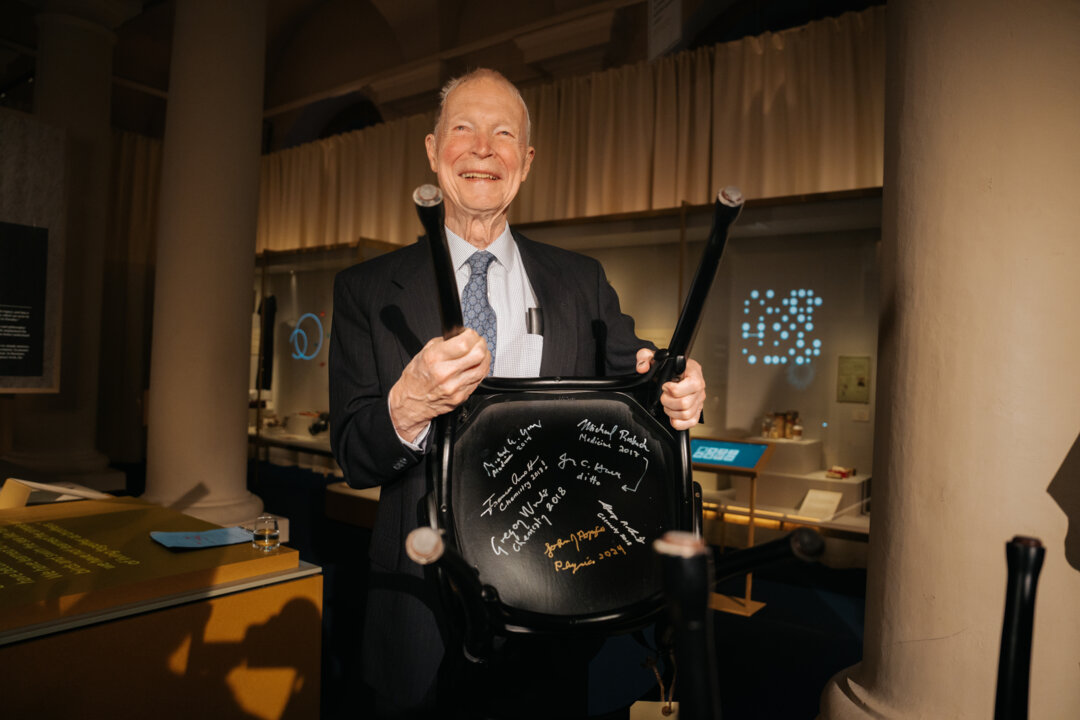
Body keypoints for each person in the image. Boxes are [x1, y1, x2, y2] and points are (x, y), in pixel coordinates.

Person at [329, 68, 706, 718]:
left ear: (526, 162)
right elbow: (354, 457)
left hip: (553, 606)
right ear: (430, 149)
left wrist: (678, 386)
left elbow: (645, 383)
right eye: (464, 129)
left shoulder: (581, 282)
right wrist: (410, 402)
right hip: (418, 612)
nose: (482, 148)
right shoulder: (366, 290)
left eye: (503, 134)